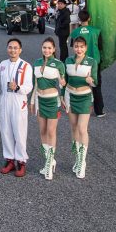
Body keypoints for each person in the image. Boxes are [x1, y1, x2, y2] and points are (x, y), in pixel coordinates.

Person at [0, 38, 33, 177]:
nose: (13, 50)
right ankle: (9, 160)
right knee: (5, 131)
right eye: (10, 47)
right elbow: (0, 85)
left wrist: (18, 87)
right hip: (5, 101)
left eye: (15, 48)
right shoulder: (2, 64)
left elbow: (29, 86)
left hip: (18, 101)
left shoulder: (26, 66)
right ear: (7, 49)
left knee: (19, 132)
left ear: (20, 50)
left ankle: (21, 161)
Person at [32, 38, 67, 180]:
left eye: (49, 48)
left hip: (52, 101)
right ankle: (50, 161)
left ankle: (48, 165)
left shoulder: (59, 64)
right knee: (42, 131)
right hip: (40, 100)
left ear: (54, 49)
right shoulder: (37, 62)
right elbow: (35, 83)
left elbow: (63, 84)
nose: (46, 50)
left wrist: (63, 87)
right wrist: (32, 101)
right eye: (44, 47)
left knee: (51, 132)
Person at [64, 37, 97, 179]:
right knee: (74, 128)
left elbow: (95, 81)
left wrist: (91, 81)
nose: (79, 49)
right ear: (73, 47)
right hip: (70, 96)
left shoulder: (92, 61)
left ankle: (82, 162)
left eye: (82, 46)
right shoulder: (68, 61)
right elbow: (64, 80)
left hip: (84, 97)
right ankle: (77, 159)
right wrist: (62, 95)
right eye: (76, 46)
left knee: (82, 128)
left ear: (86, 48)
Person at [69, 10, 104, 116]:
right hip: (94, 61)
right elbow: (100, 46)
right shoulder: (96, 31)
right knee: (96, 85)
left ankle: (80, 109)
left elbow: (72, 46)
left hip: (80, 61)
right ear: (89, 18)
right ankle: (99, 111)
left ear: (79, 19)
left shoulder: (75, 32)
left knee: (80, 84)